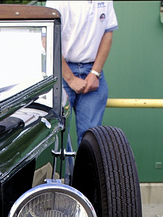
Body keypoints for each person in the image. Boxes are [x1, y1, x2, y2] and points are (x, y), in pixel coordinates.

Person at [46, 1, 118, 145]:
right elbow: (47, 39)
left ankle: (85, 168)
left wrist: (95, 73)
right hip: (61, 70)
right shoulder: (57, 2)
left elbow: (107, 34)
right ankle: (64, 169)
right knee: (57, 136)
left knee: (91, 137)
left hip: (92, 72)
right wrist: (70, 78)